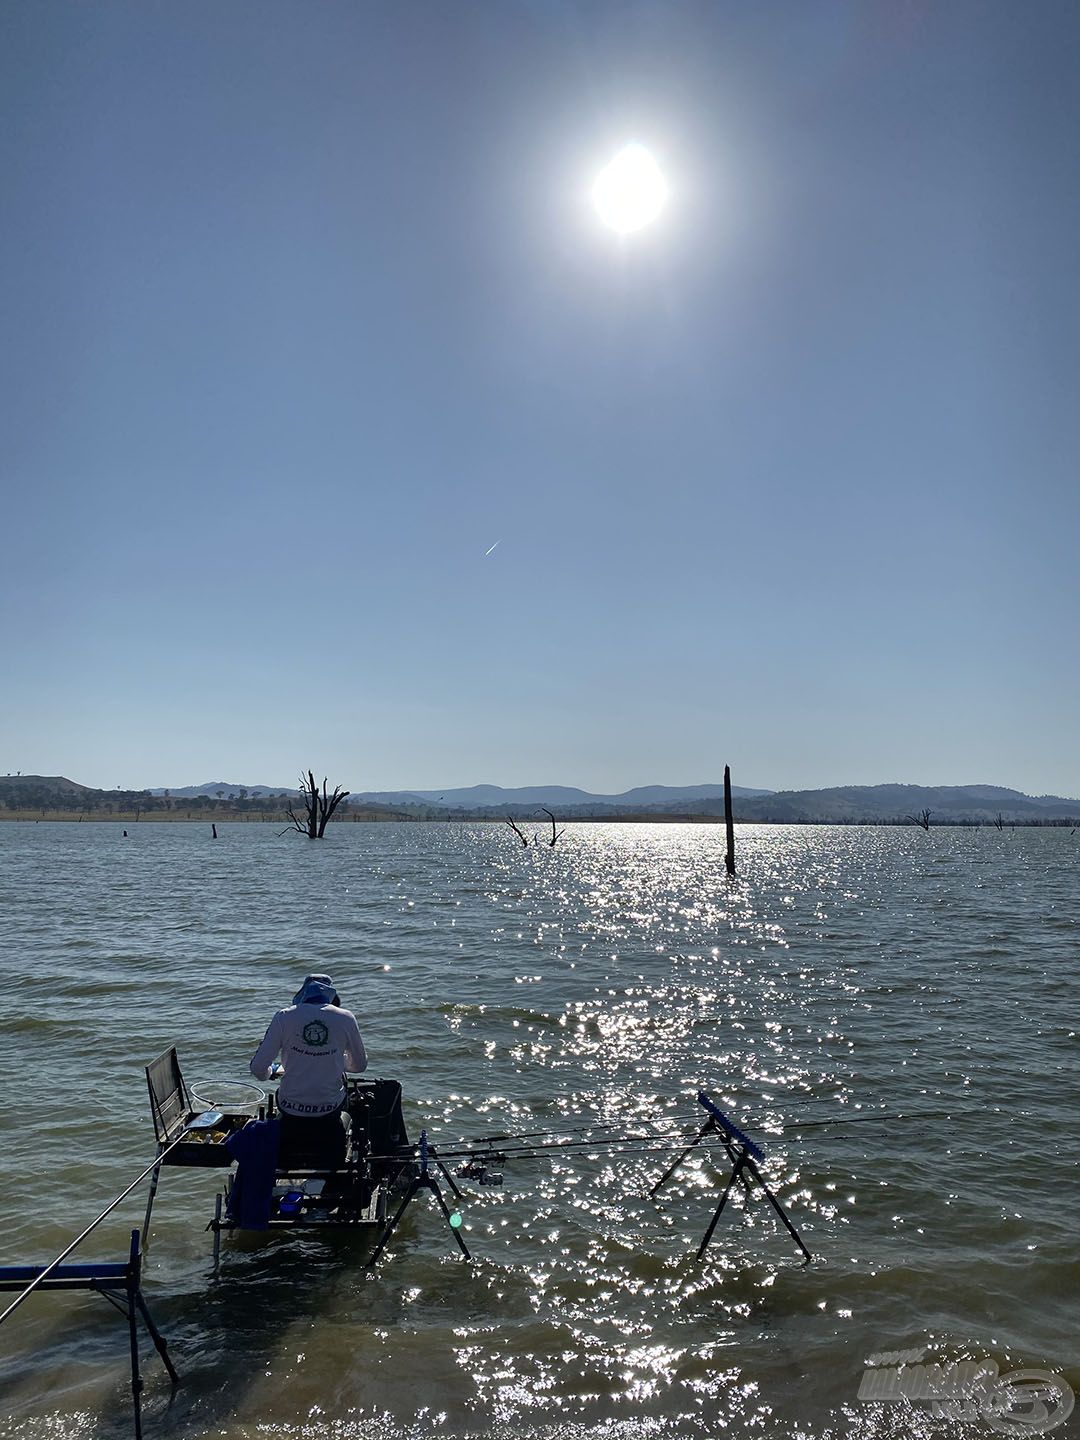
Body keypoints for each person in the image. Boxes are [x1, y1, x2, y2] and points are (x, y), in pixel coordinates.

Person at [250, 974, 367, 1162]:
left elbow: (257, 1069)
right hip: (329, 1111)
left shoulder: (284, 1016)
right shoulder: (346, 1018)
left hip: (290, 1109)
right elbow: (359, 1066)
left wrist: (271, 1071)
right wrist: (334, 1060)